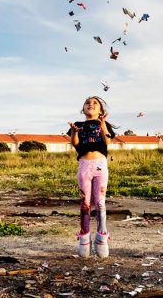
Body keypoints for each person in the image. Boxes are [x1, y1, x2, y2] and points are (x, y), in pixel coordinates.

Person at [67, 96, 117, 258]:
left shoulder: (104, 124)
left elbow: (107, 141)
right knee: (85, 203)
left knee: (100, 202)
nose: (91, 105)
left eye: (95, 103)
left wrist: (102, 124)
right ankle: (84, 238)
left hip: (100, 165)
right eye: (87, 103)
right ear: (83, 108)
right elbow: (75, 144)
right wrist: (74, 132)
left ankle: (102, 238)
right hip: (84, 166)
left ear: (100, 110)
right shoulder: (79, 125)